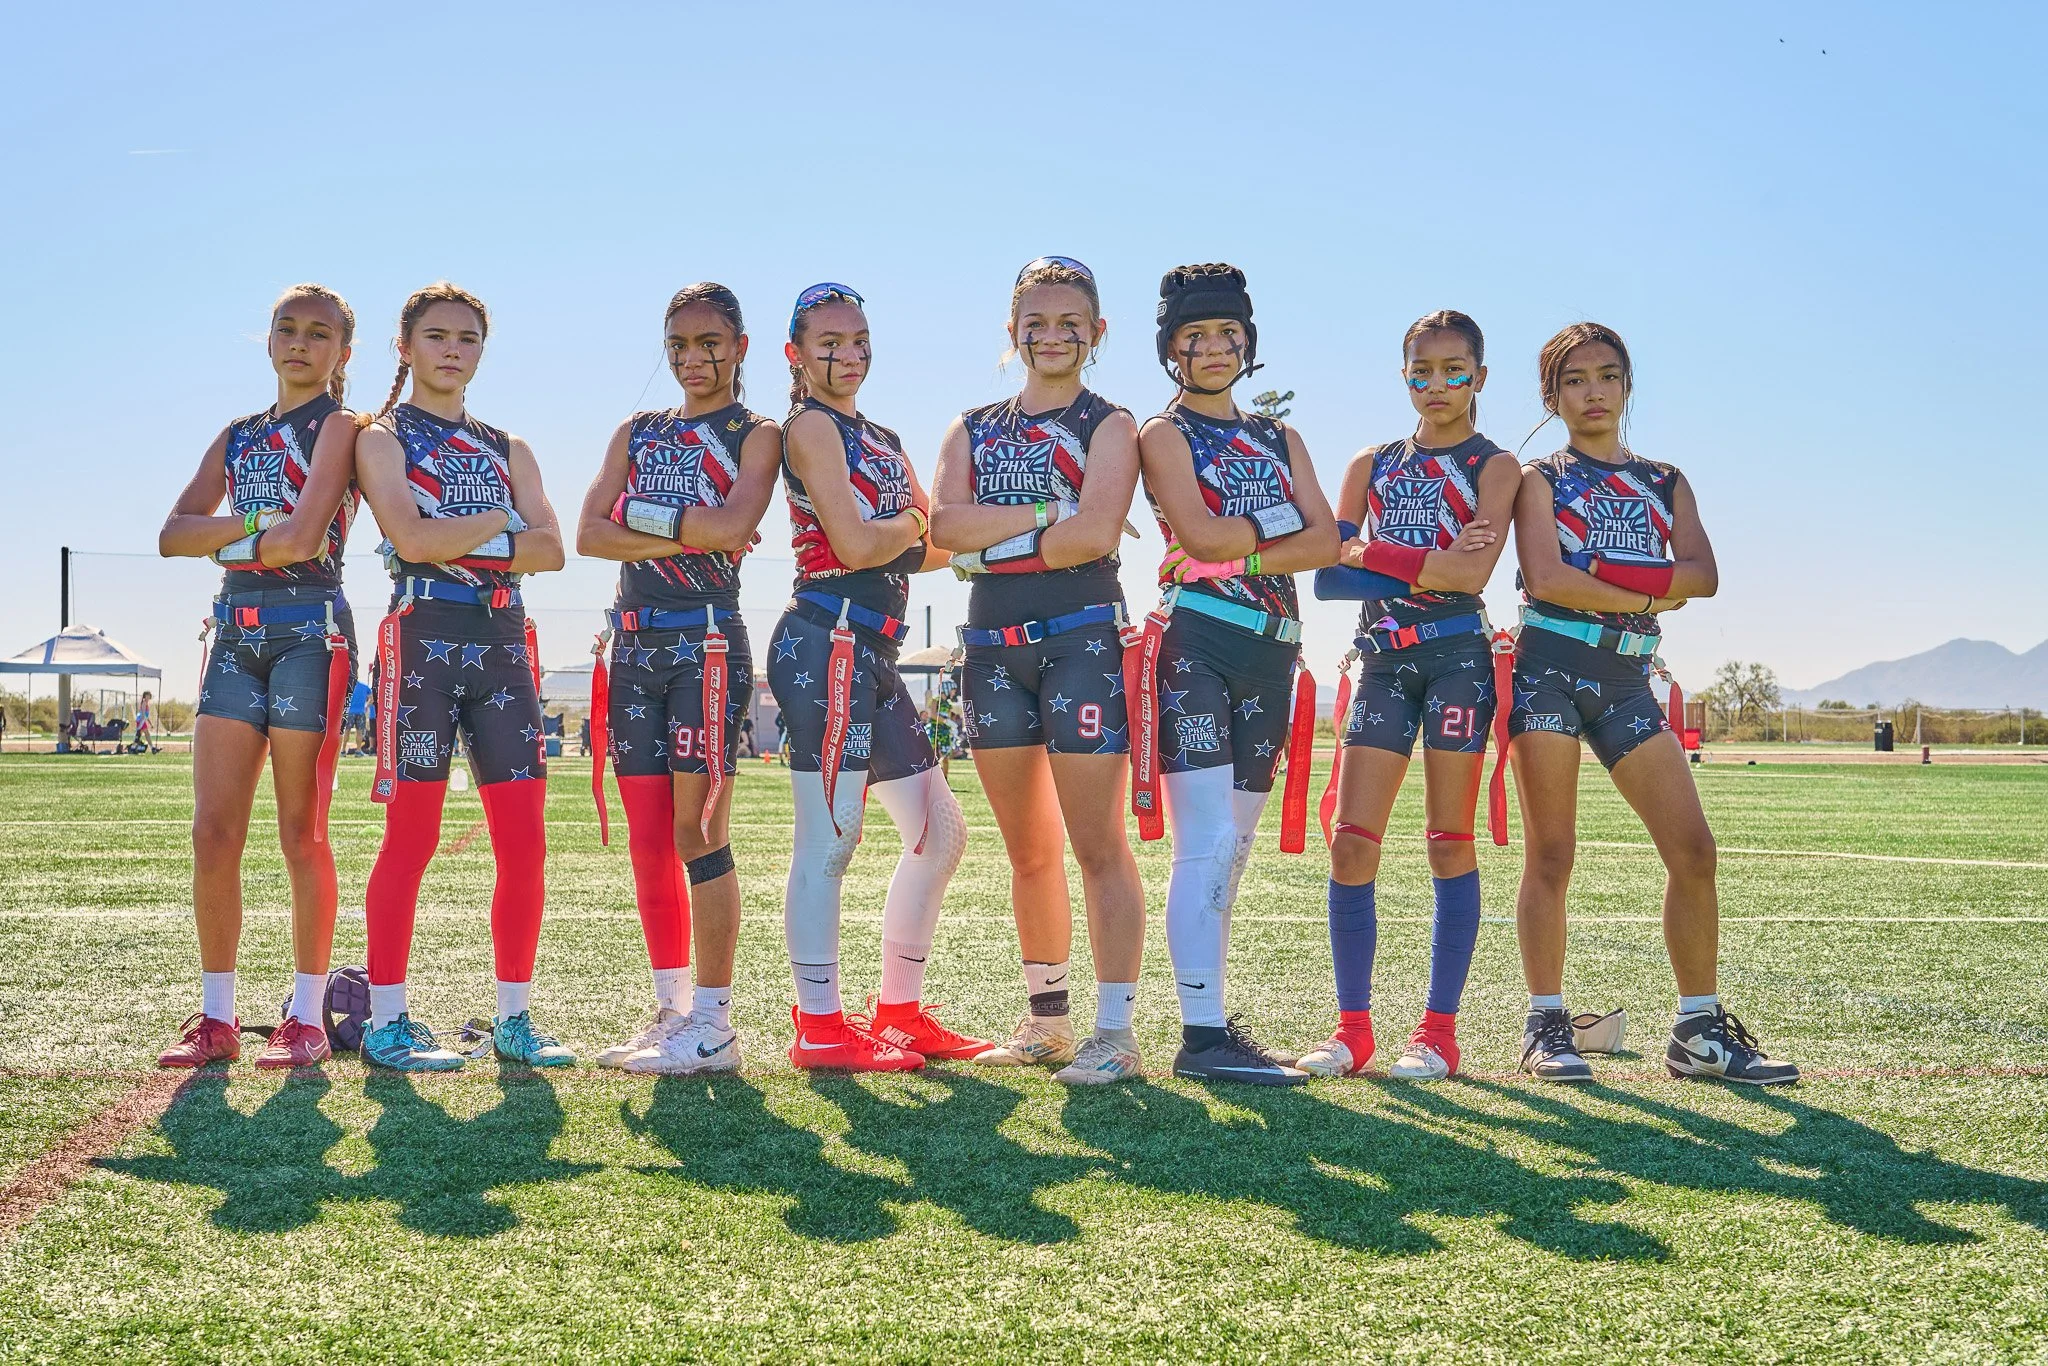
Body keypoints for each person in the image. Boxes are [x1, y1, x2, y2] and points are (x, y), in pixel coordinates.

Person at [1507, 321, 1798, 1085]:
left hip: (1629, 681)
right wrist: (1643, 584)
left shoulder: (1665, 480)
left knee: (1694, 850)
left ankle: (1698, 1031)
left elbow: (1703, 576)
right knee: (1552, 854)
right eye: (1575, 380)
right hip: (1548, 673)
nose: (1593, 391)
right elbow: (1547, 578)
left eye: (1607, 376)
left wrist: (1603, 572)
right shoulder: (1538, 479)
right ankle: (1546, 1025)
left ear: (1627, 385)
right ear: (1552, 395)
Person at [930, 255, 1149, 1083]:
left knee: (1097, 843)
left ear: (1097, 333)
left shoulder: (1111, 422)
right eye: (1036, 322)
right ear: (1011, 330)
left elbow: (1097, 536)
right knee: (1028, 849)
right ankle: (1047, 1022)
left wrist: (996, 545)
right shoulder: (972, 424)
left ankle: (1115, 1032)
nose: (1052, 336)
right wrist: (1045, 513)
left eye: (1070, 323)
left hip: (1081, 638)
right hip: (992, 649)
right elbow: (946, 527)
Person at [352, 282, 571, 1071]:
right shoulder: (380, 438)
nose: (453, 349)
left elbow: (553, 550)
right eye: (437, 335)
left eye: (468, 337)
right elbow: (408, 540)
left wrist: (464, 535)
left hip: (505, 644)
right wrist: (503, 522)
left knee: (525, 843)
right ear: (405, 346)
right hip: (423, 642)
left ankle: (515, 1019)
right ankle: (387, 1022)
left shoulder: (511, 446)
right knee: (411, 837)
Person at [1298, 310, 1520, 1081]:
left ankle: (1437, 1034)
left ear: (1480, 379)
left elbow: (1469, 578)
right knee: (1353, 840)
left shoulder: (1497, 468)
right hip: (1382, 662)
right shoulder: (1371, 462)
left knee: (1447, 841)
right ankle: (1352, 1031)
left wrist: (1376, 553)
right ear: (1404, 376)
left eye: (1454, 371)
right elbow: (1329, 572)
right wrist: (1423, 557)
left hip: (1458, 657)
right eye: (1422, 371)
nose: (1437, 386)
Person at [768, 282, 983, 1071]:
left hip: (874, 652)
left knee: (942, 834)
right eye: (829, 341)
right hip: (823, 642)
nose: (848, 353)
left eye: (859, 338)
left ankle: (898, 1013)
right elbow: (859, 546)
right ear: (795, 352)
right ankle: (818, 1026)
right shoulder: (809, 426)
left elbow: (934, 550)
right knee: (830, 841)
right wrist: (917, 524)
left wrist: (926, 529)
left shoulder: (882, 435)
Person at [1134, 263, 1338, 1084]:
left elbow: (1328, 542)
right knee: (1207, 844)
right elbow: (1200, 535)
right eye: (1195, 336)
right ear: (1171, 348)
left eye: (1229, 335)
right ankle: (1202, 1036)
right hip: (1201, 643)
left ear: (1249, 343)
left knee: (1237, 848)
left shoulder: (1280, 437)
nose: (1215, 348)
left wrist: (1245, 541)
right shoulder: (1163, 432)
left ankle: (1212, 1017)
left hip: (1273, 648)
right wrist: (1271, 531)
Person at [155, 283, 362, 1069]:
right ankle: (216, 1017)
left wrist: (242, 538)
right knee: (213, 832)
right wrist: (248, 528)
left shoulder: (341, 426)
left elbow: (307, 537)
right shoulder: (239, 435)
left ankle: (305, 1015)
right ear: (268, 340)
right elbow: (175, 534)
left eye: (319, 333)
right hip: (235, 633)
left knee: (301, 832)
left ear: (343, 351)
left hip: (311, 632)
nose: (300, 343)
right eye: (286, 329)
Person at [577, 283, 779, 1075]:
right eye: (679, 346)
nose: (693, 360)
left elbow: (733, 530)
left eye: (709, 344)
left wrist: (645, 524)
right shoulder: (637, 430)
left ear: (741, 345)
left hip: (707, 647)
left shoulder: (756, 433)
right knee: (650, 838)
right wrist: (684, 531)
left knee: (701, 830)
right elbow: (591, 534)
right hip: (631, 647)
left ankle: (718, 1023)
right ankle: (672, 1013)